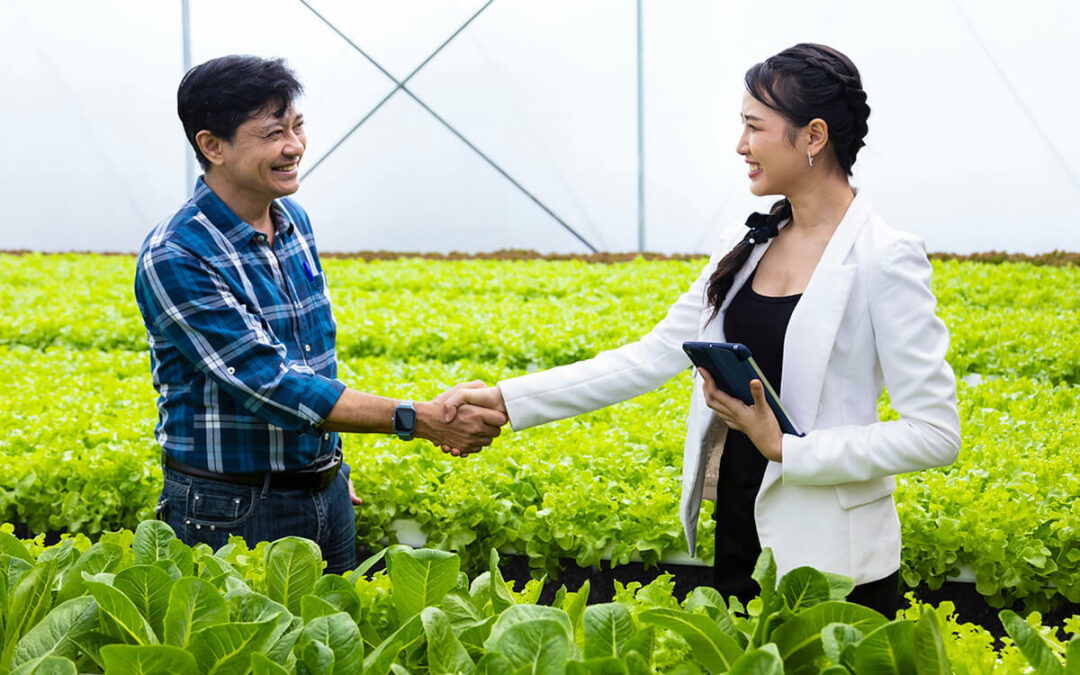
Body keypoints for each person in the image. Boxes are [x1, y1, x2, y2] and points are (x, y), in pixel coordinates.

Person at [442, 44, 961, 616]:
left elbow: (935, 434)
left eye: (753, 127)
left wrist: (787, 448)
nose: (741, 145)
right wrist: (504, 400)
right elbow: (652, 355)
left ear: (813, 137)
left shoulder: (884, 257)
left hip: (836, 566)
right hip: (741, 532)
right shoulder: (748, 243)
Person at [134, 55, 506, 574]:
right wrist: (418, 419)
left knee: (328, 647)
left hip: (325, 492)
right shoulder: (178, 254)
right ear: (212, 146)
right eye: (271, 133)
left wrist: (327, 464)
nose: (294, 146)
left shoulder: (293, 222)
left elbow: (311, 359)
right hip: (232, 510)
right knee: (246, 652)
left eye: (297, 126)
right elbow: (272, 385)